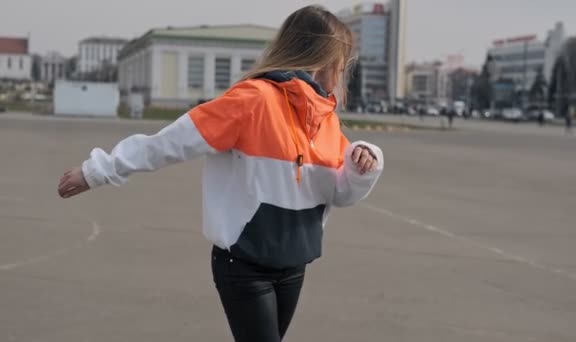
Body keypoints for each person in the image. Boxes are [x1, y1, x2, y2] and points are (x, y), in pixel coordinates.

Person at [57, 5, 384, 342]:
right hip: (245, 264)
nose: (342, 74)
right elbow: (171, 142)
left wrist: (365, 166)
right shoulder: (253, 100)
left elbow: (340, 194)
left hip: (294, 262)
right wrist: (98, 171)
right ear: (323, 58)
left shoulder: (324, 116)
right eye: (341, 65)